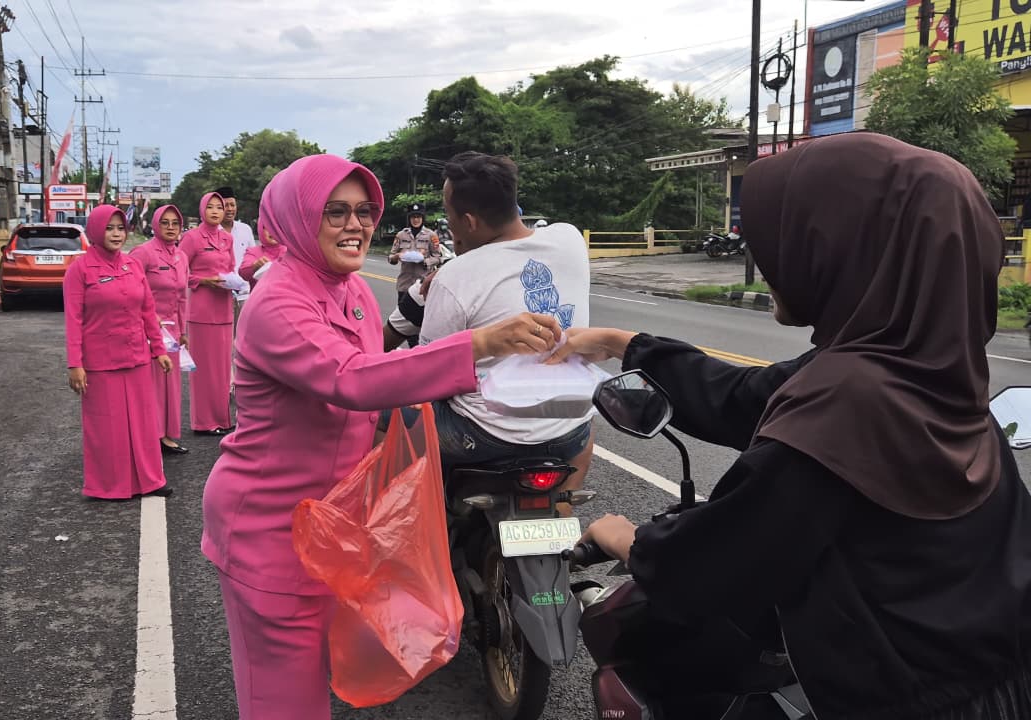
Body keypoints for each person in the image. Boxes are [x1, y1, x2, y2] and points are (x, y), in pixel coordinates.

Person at [554, 133, 1031, 720]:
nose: (771, 250)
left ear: (848, 247)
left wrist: (622, 537)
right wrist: (623, 344)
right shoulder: (925, 363)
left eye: (794, 231)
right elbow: (743, 395)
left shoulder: (846, 404)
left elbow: (714, 562)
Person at [201, 154, 563, 720]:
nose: (357, 225)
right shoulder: (278, 301)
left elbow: (383, 375)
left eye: (365, 211)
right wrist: (478, 344)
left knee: (318, 683)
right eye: (336, 212)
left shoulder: (351, 292)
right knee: (283, 700)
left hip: (333, 525)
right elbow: (349, 379)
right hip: (268, 529)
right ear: (298, 218)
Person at [419, 151, 594, 509]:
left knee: (384, 418)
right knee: (585, 432)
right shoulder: (571, 240)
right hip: (567, 429)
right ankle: (562, 516)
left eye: (449, 215)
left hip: (482, 434)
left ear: (468, 221)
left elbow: (428, 369)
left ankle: (424, 521)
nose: (448, 224)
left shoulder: (455, 276)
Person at [64, 205, 175, 500]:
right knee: (107, 428)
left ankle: (151, 481)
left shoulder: (133, 265)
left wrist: (158, 349)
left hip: (137, 357)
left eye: (120, 228)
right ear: (96, 231)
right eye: (109, 228)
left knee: (143, 423)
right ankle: (107, 486)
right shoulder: (80, 269)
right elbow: (73, 320)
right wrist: (75, 364)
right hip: (100, 363)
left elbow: (148, 311)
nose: (116, 234)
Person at [131, 204, 191, 456]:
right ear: (155, 224)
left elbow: (182, 297)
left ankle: (166, 435)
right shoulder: (143, 253)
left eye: (174, 223)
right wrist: (147, 319)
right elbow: (130, 290)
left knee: (170, 385)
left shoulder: (181, 256)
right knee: (150, 385)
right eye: (164, 222)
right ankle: (149, 435)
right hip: (148, 329)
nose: (169, 227)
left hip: (173, 331)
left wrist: (184, 329)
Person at [178, 192, 237, 436]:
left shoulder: (227, 239)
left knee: (223, 367)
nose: (215, 211)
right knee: (203, 369)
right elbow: (179, 270)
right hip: (201, 309)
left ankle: (222, 419)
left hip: (224, 307)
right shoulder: (192, 238)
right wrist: (203, 280)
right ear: (202, 210)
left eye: (219, 207)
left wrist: (233, 281)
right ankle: (203, 422)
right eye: (210, 207)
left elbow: (231, 268)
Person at [386, 203, 441, 346]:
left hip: (423, 288)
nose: (415, 220)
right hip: (404, 286)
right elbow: (390, 257)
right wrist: (397, 256)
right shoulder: (401, 235)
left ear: (422, 218)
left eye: (418, 217)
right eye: (413, 217)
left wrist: (424, 261)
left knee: (422, 325)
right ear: (409, 219)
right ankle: (414, 353)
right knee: (405, 325)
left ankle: (419, 353)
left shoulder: (431, 236)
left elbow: (438, 257)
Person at [216, 186, 257, 309]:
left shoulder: (245, 229)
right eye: (225, 205)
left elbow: (253, 258)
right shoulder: (210, 232)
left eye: (232, 205)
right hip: (220, 293)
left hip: (245, 294)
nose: (229, 209)